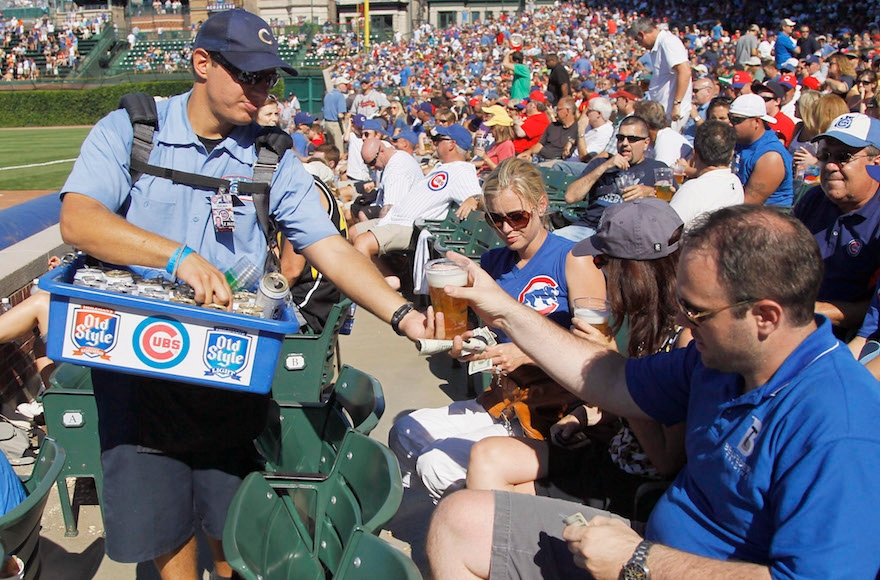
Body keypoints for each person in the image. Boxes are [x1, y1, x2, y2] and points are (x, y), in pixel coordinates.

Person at [57, 10, 430, 579]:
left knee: (232, 524)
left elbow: (328, 247)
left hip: (229, 368)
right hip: (139, 367)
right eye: (248, 77)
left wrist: (402, 314)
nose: (261, 94)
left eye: (268, 80)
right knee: (163, 526)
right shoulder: (131, 129)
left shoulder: (271, 156)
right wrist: (178, 256)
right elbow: (79, 221)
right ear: (202, 64)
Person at [426, 204, 880, 579]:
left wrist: (642, 562)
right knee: (458, 520)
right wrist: (502, 310)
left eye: (697, 312)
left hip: (657, 562)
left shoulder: (840, 425)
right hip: (647, 546)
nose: (683, 322)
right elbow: (611, 379)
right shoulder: (720, 361)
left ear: (765, 316)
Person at [388, 158, 598, 502]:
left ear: (541, 205)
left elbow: (596, 352)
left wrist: (529, 352)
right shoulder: (492, 263)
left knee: (435, 465)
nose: (506, 228)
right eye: (495, 218)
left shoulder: (571, 259)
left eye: (517, 216)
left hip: (550, 411)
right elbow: (481, 334)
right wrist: (461, 346)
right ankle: (461, 514)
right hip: (501, 401)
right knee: (406, 431)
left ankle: (475, 524)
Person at [466, 199, 688, 520]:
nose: (597, 270)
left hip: (631, 482)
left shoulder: (683, 338)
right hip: (609, 449)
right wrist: (582, 417)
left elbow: (667, 460)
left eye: (602, 261)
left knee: (487, 500)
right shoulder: (641, 321)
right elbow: (627, 413)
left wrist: (614, 369)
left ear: (634, 270)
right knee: (487, 456)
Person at [352, 125, 479, 276]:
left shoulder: (461, 169)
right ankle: (387, 280)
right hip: (397, 219)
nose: (434, 143)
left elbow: (477, 195)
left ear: (452, 144)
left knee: (362, 242)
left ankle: (378, 291)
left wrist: (475, 198)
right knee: (353, 232)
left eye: (438, 140)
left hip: (411, 226)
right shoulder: (444, 167)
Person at [793, 113, 880, 335]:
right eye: (825, 155)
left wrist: (811, 311)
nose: (830, 165)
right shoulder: (813, 200)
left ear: (876, 163)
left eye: (843, 156)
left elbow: (874, 311)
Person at [556, 116, 667, 242]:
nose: (624, 143)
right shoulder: (600, 163)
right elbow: (570, 197)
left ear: (646, 143)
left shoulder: (657, 169)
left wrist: (652, 193)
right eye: (620, 138)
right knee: (553, 242)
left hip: (627, 235)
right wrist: (605, 166)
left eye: (632, 139)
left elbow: (671, 208)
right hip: (588, 228)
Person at [670, 120, 744, 228]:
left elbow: (664, 233)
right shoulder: (735, 182)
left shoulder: (692, 190)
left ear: (694, 154)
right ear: (731, 155)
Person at [627, 18, 692, 132]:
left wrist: (677, 104)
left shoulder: (668, 42)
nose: (640, 45)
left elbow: (685, 71)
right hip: (664, 111)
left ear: (642, 35)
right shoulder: (660, 45)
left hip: (672, 112)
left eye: (638, 41)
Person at [730, 94, 793, 206]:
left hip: (766, 217)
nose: (730, 124)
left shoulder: (770, 157)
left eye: (736, 120)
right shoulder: (740, 141)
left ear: (757, 122)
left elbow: (748, 204)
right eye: (729, 118)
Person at [349, 137, 423, 224]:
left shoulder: (396, 171)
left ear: (382, 151)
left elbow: (389, 210)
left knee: (356, 227)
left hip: (406, 218)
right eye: (368, 165)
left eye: (372, 162)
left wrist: (375, 233)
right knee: (355, 208)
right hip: (400, 210)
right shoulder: (397, 156)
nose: (372, 167)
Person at [517, 96, 578, 162]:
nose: (556, 112)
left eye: (558, 109)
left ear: (567, 111)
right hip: (537, 157)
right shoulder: (553, 126)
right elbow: (540, 144)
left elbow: (577, 141)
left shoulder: (577, 128)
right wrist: (528, 153)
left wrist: (570, 142)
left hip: (555, 161)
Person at [633, 100, 693, 167]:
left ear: (646, 125)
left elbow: (660, 172)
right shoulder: (650, 141)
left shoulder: (666, 139)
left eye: (636, 122)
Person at [473, 108, 515, 176]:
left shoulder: (507, 145)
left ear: (501, 128)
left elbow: (503, 172)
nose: (490, 131)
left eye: (492, 128)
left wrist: (485, 157)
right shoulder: (496, 144)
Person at [323, 75, 349, 154]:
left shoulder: (328, 94)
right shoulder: (340, 96)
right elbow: (340, 114)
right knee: (339, 149)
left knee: (331, 148)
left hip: (326, 123)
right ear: (339, 85)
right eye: (345, 85)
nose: (346, 87)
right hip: (335, 124)